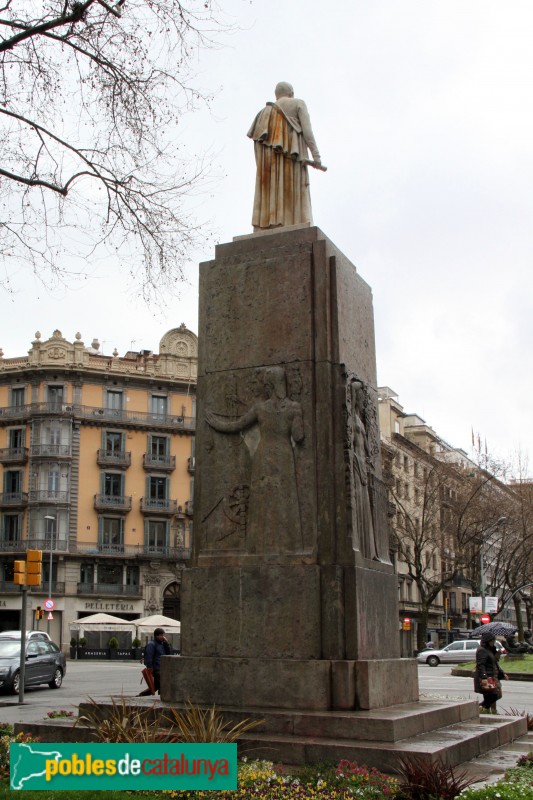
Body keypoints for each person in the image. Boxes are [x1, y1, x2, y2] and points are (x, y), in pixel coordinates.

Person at [247, 81, 323, 230]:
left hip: (268, 166)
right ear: (291, 93)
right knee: (291, 188)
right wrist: (316, 156)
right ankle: (295, 223)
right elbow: (307, 132)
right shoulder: (298, 103)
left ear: (276, 95)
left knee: (272, 189)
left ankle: (267, 224)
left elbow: (257, 148)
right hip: (292, 158)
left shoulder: (262, 113)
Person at [474, 630, 508, 714]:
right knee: (493, 695)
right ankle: (480, 708)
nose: (493, 642)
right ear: (487, 641)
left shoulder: (490, 650)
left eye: (494, 641)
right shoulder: (482, 650)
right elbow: (481, 665)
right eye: (492, 641)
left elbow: (494, 663)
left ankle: (483, 709)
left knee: (494, 695)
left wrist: (502, 673)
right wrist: (484, 677)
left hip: (493, 676)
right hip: (488, 677)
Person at [138, 627, 171, 696]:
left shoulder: (162, 644)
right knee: (162, 685)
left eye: (163, 635)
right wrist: (150, 668)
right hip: (156, 669)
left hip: (162, 668)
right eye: (161, 635)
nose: (163, 637)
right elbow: (149, 656)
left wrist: (166, 644)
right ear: (156, 636)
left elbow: (168, 654)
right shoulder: (151, 644)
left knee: (155, 687)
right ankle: (162, 698)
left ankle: (140, 695)